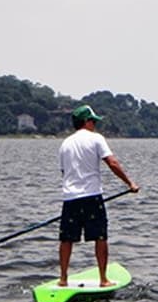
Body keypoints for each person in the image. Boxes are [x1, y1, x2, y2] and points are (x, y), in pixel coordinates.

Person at [57, 104, 139, 287]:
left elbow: (64, 172)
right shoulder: (96, 139)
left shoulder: (65, 143)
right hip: (92, 196)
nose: (95, 124)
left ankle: (63, 279)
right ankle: (103, 279)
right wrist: (130, 183)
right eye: (93, 121)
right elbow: (112, 163)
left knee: (66, 238)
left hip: (70, 198)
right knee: (100, 237)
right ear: (86, 122)